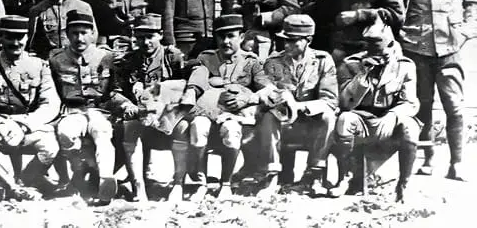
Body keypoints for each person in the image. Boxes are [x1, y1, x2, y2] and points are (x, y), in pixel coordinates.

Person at [397, 0, 476, 181]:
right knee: (422, 106)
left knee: (454, 107)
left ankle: (456, 164)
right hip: (416, 48)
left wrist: (465, 33)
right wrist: (401, 38)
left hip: (449, 49)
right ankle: (428, 159)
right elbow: (398, 7)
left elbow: (472, 3)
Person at [177, 14, 272, 200]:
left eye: (231, 36)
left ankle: (225, 184)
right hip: (208, 111)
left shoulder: (251, 62)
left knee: (231, 130)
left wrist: (248, 98)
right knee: (198, 126)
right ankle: (200, 183)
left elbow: (267, 89)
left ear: (242, 37)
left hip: (236, 117)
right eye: (221, 36)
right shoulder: (205, 58)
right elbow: (194, 80)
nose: (226, 41)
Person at [330, 17, 420, 202]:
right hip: (360, 119)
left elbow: (410, 103)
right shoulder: (351, 64)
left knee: (410, 127)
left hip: (389, 121)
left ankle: (403, 185)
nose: (381, 56)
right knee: (344, 119)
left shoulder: (405, 66)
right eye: (374, 52)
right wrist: (364, 75)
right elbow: (345, 104)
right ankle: (344, 178)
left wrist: (394, 115)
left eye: (384, 51)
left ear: (392, 46)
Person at [0, 15, 61, 193]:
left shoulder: (39, 66)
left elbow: (50, 104)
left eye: (20, 37)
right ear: (0, 37)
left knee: (50, 147)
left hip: (27, 125)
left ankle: (28, 180)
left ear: (27, 38)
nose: (16, 43)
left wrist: (23, 124)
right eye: (10, 37)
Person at [50, 9, 130, 205]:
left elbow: (115, 90)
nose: (79, 38)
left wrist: (124, 103)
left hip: (99, 109)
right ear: (67, 34)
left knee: (102, 132)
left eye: (84, 32)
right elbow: (52, 93)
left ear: (93, 33)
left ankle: (105, 179)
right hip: (71, 111)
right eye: (74, 33)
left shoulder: (107, 58)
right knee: (66, 133)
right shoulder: (56, 59)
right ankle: (78, 172)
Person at [256, 14, 338, 197]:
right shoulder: (274, 62)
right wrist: (278, 98)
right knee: (269, 116)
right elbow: (268, 94)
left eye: (293, 41)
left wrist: (300, 106)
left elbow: (330, 100)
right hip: (283, 123)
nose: (287, 45)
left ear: (308, 40)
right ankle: (272, 176)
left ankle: (313, 176)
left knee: (328, 116)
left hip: (311, 125)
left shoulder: (323, 61)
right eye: (284, 40)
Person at [112, 13, 184, 202]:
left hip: (168, 115)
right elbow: (115, 91)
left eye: (150, 37)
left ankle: (178, 183)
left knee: (184, 127)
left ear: (160, 34)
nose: (145, 42)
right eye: (140, 37)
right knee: (128, 127)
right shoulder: (128, 60)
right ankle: (138, 186)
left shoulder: (172, 57)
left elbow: (184, 85)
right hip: (139, 115)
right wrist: (126, 104)